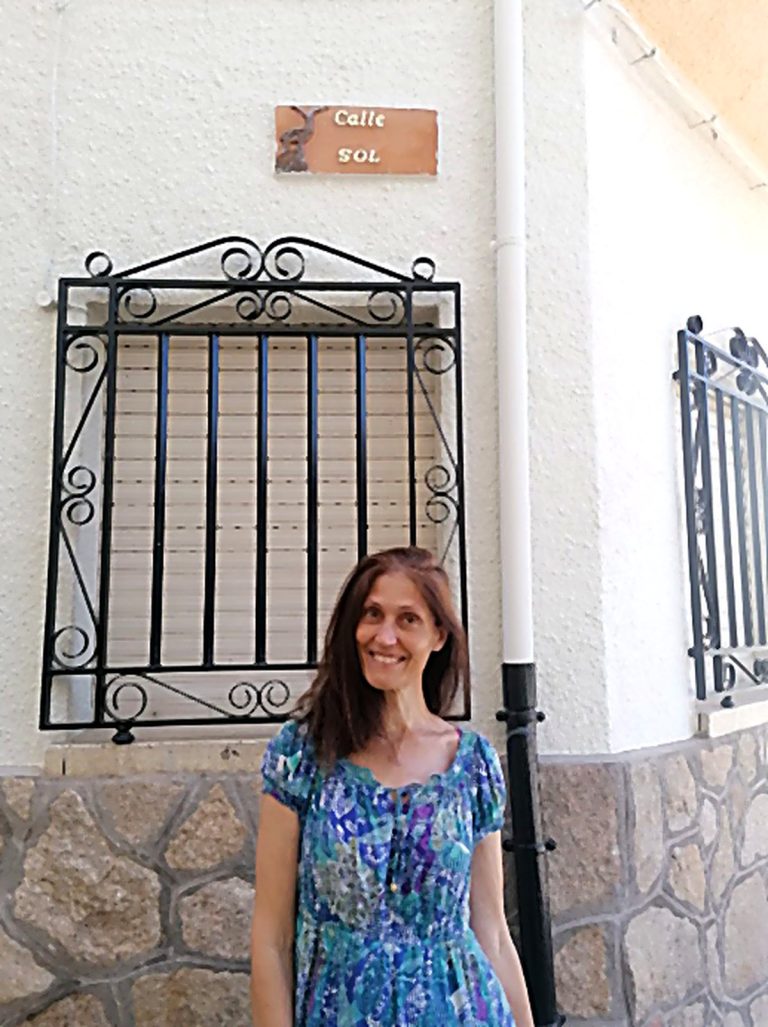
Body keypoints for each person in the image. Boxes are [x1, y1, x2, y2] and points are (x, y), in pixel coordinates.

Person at [250, 546, 535, 1027]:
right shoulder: (302, 755)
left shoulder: (473, 765)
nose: (385, 636)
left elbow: (491, 931)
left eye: (408, 619)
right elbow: (271, 938)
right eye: (372, 614)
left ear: (438, 635)